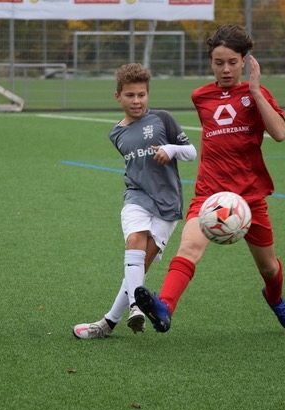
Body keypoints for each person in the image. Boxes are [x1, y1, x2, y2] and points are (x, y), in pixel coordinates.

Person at [134, 24, 285, 333]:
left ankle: (275, 298)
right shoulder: (201, 96)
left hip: (249, 197)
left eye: (233, 62)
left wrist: (255, 92)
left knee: (268, 267)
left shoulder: (257, 94)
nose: (226, 69)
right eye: (219, 62)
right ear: (210, 63)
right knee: (188, 249)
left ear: (244, 61)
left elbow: (279, 134)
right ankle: (164, 307)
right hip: (210, 194)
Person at [73, 63, 197, 339]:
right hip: (136, 196)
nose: (137, 100)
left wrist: (170, 149)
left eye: (142, 94)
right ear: (118, 96)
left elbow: (191, 152)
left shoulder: (163, 119)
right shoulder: (116, 133)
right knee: (134, 241)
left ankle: (107, 323)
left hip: (168, 204)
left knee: (139, 269)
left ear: (148, 94)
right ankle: (135, 308)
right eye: (130, 95)